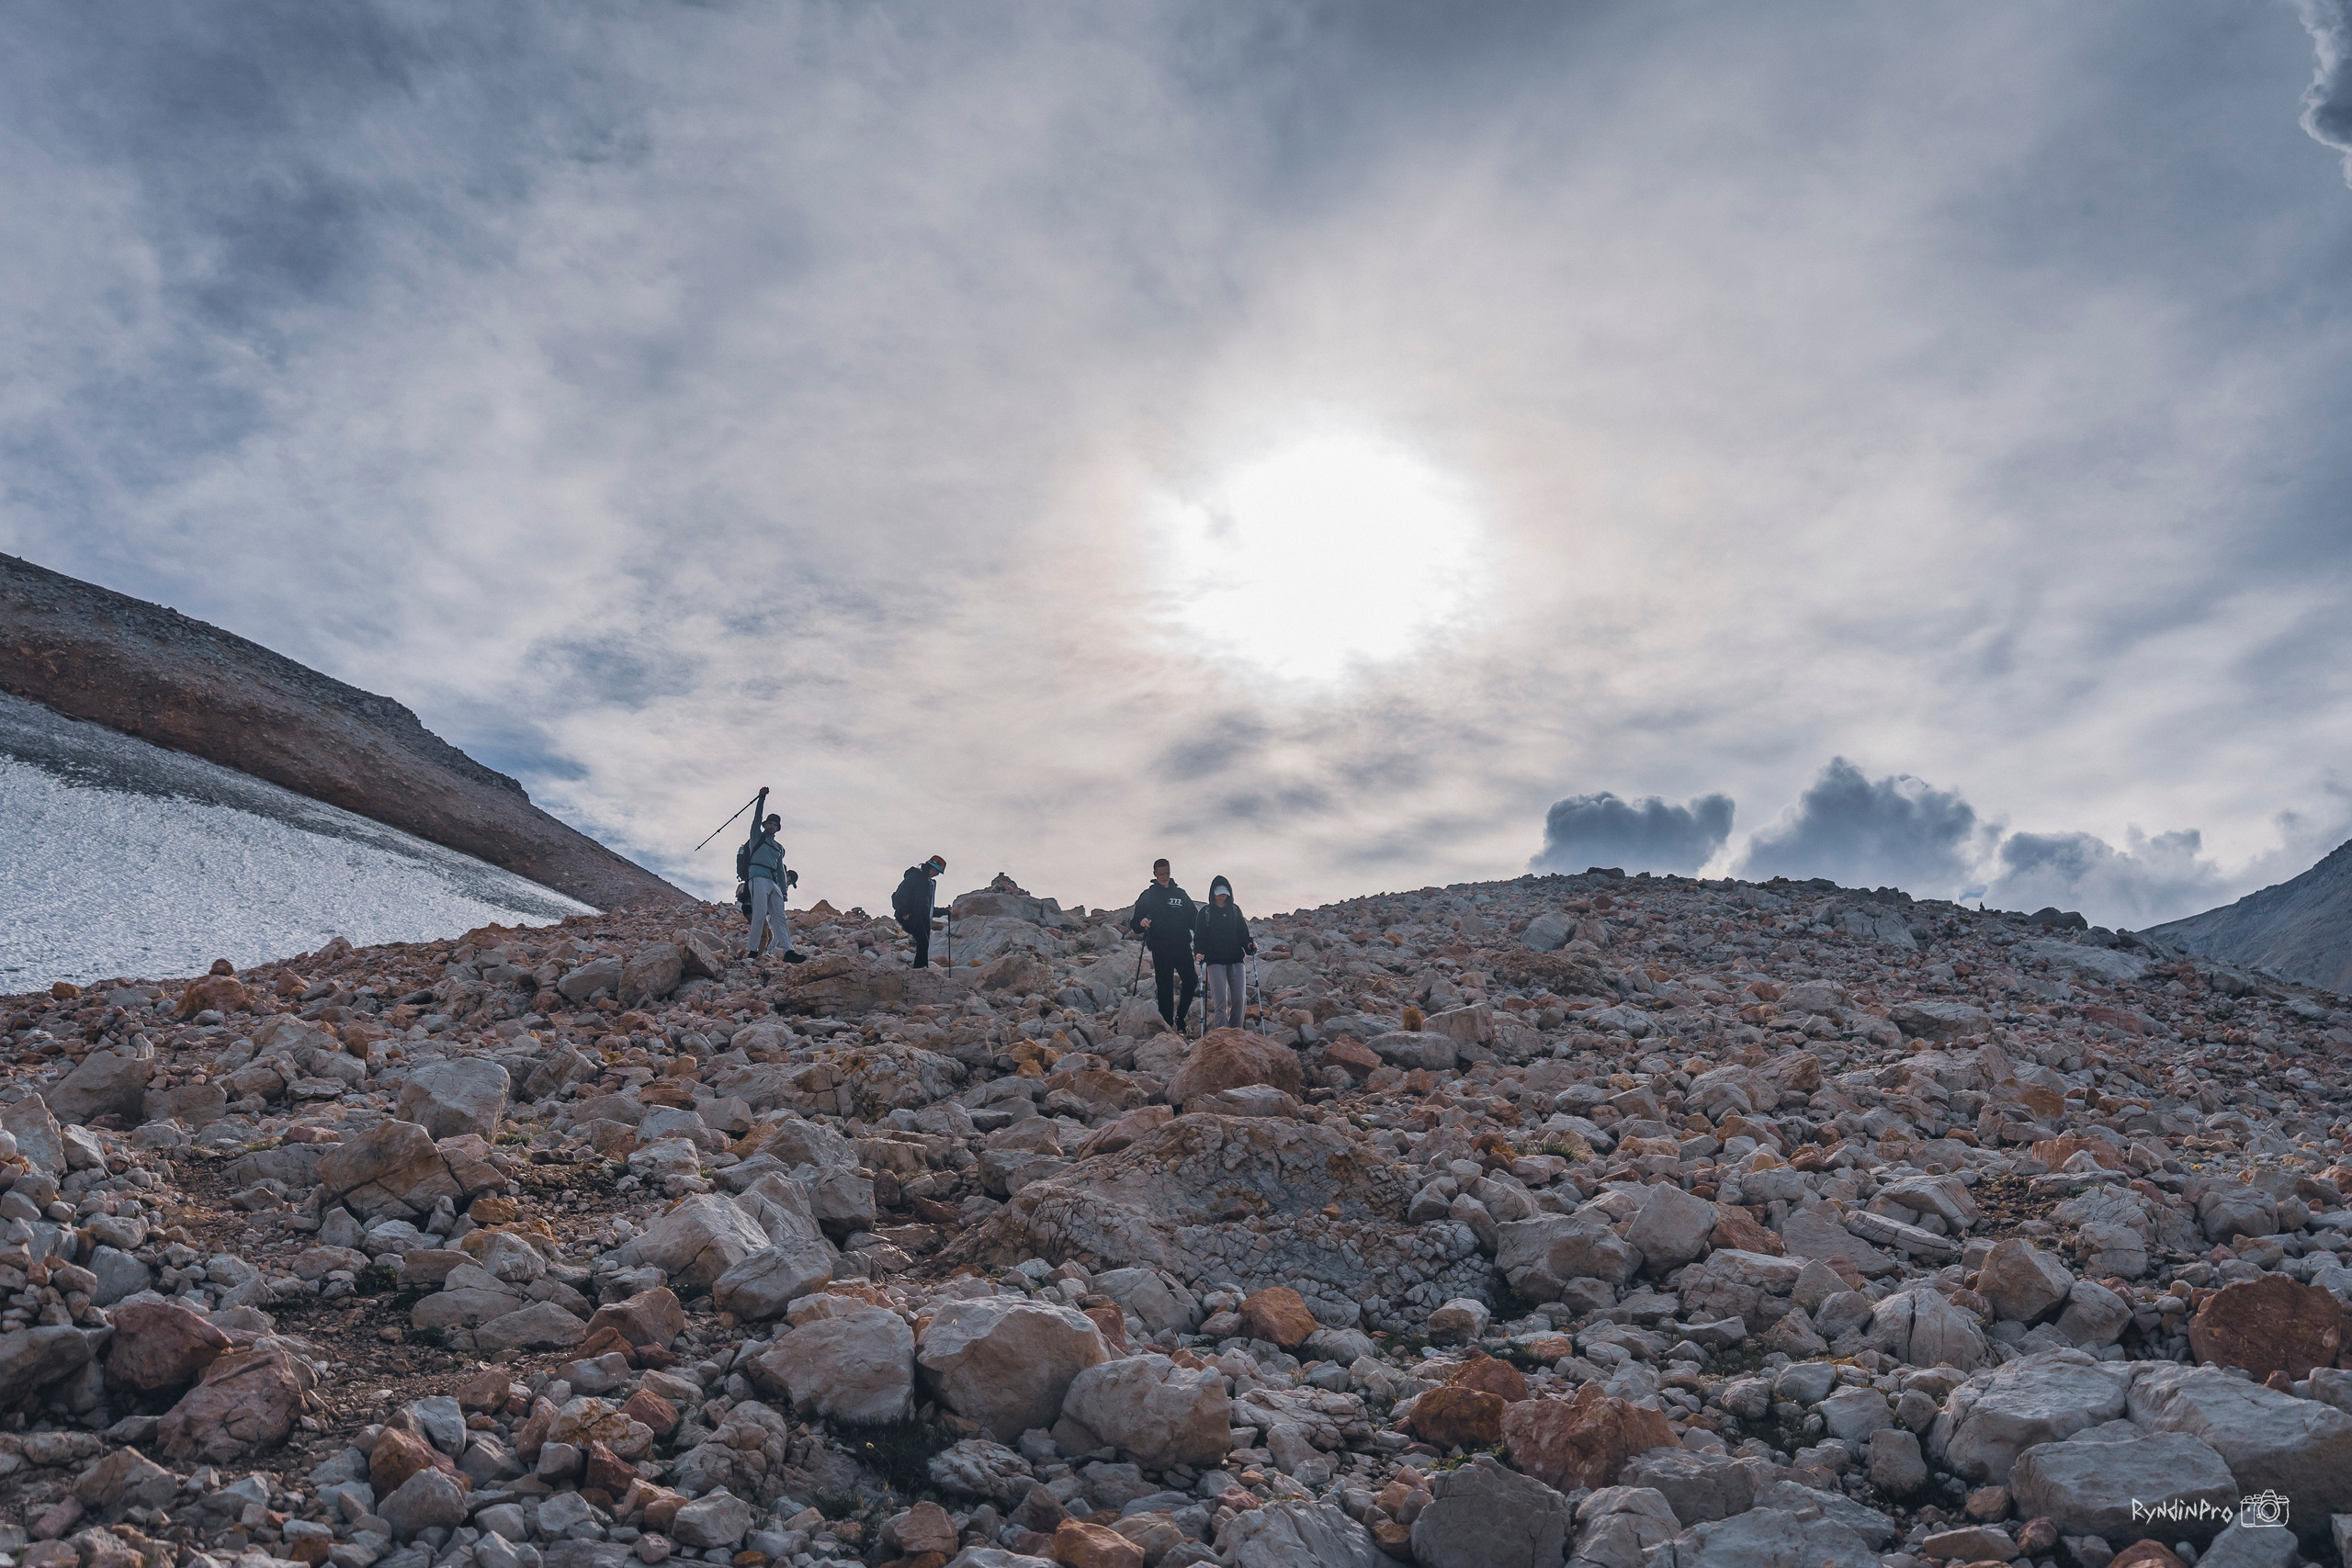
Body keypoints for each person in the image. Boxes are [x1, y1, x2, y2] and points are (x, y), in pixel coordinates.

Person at [1128, 858, 1199, 1031]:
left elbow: (1194, 920)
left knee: (1191, 980)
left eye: (1167, 873)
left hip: (1182, 946)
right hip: (1160, 948)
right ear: (1154, 874)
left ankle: (1180, 1017)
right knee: (1165, 987)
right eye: (1161, 874)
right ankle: (1167, 1025)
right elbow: (1135, 923)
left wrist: (1205, 937)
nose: (1165, 877)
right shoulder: (1148, 895)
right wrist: (1142, 922)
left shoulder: (1181, 894)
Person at [1193, 874, 1257, 1030]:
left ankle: (1236, 1031)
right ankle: (1222, 1032)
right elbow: (1199, 937)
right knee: (1220, 1000)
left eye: (1224, 894)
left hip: (1235, 959)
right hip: (1215, 961)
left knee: (1239, 999)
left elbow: (1242, 934)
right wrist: (1198, 952)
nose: (1221, 897)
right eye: (1219, 893)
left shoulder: (1235, 911)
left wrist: (1249, 945)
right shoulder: (1205, 913)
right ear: (1213, 893)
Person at [742, 813, 804, 963]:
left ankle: (789, 951)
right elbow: (756, 819)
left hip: (773, 883)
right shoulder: (757, 837)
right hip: (757, 878)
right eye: (769, 823)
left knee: (780, 917)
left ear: (778, 828)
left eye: (775, 825)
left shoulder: (779, 848)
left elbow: (780, 871)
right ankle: (752, 950)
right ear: (764, 825)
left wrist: (783, 890)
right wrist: (761, 799)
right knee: (760, 913)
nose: (772, 826)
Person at [891, 854, 949, 967]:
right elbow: (901, 894)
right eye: (936, 871)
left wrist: (945, 911)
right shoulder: (915, 876)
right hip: (911, 915)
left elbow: (927, 908)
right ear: (930, 866)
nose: (937, 874)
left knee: (924, 941)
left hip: (920, 917)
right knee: (923, 941)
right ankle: (920, 970)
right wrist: (905, 912)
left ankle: (921, 969)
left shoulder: (928, 882)